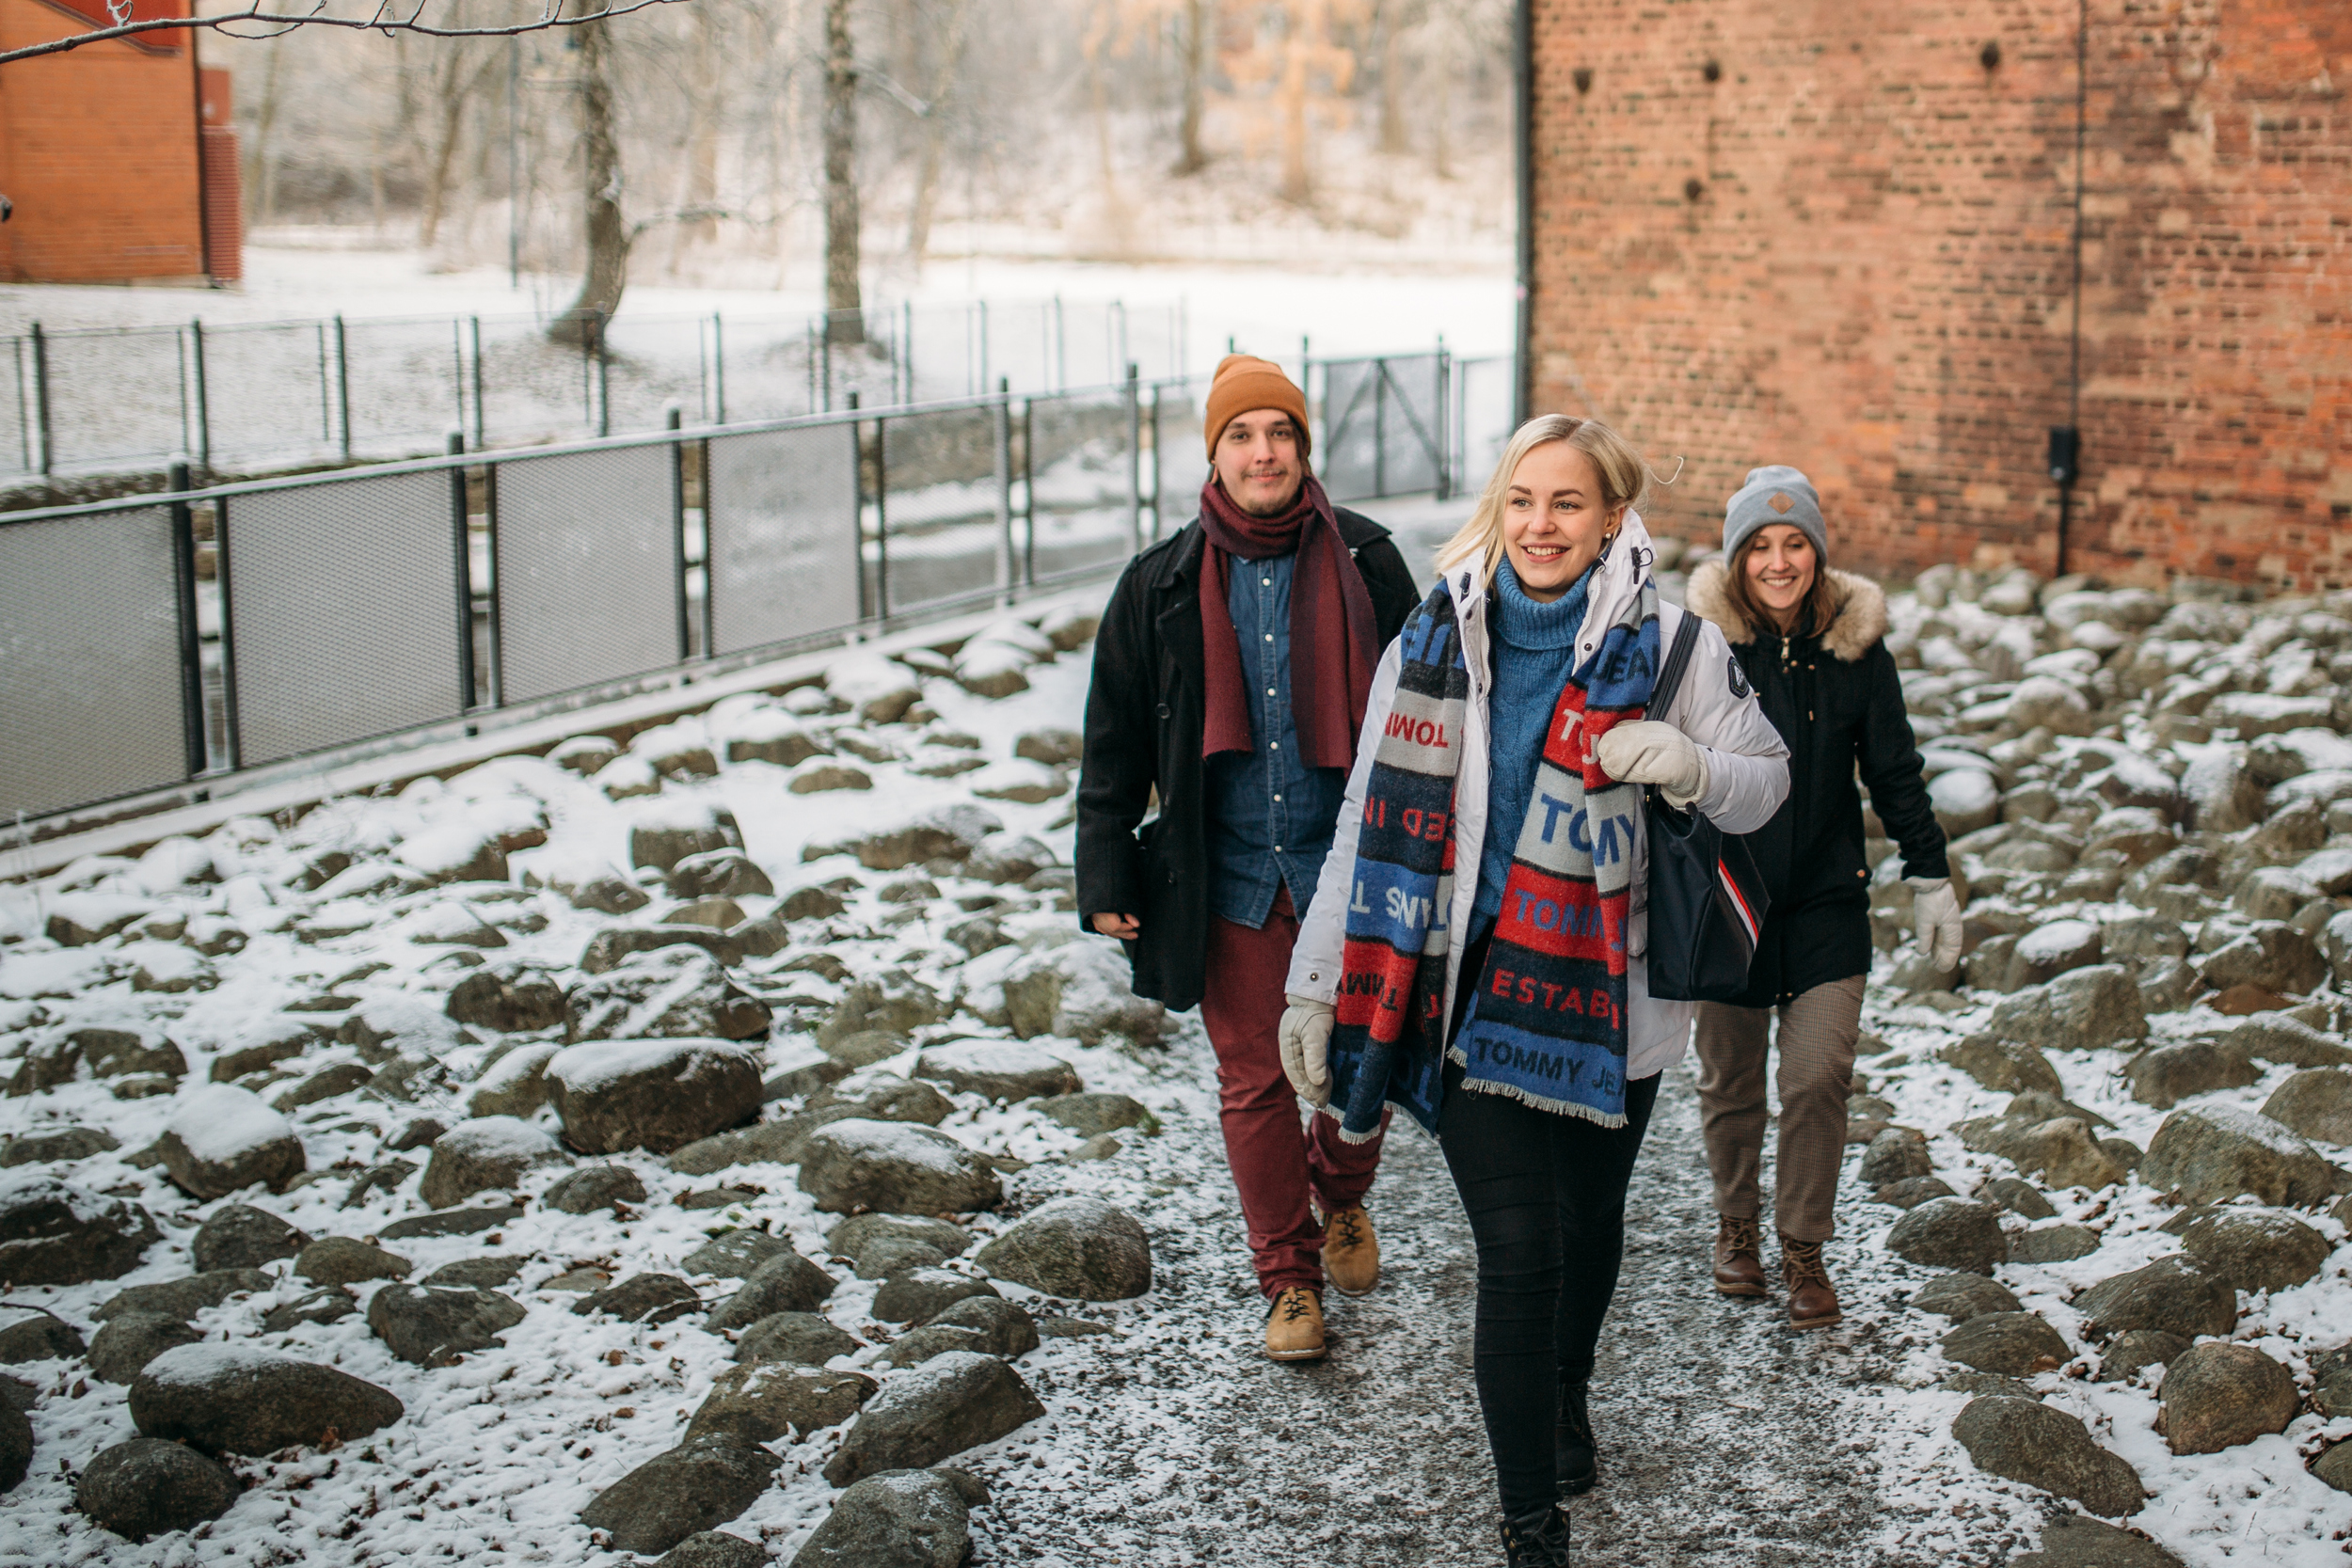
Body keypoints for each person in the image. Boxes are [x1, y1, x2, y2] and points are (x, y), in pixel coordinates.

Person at [1276, 415, 1790, 1566]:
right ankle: (1530, 1527)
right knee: (1519, 1252)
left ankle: (1566, 1386)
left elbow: (1767, 781)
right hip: (1461, 996)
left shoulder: (1674, 646)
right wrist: (1317, 983)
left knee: (1589, 1221)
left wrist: (1690, 764)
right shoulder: (1431, 639)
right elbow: (1364, 818)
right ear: (1497, 507)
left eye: (1566, 503)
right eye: (1521, 499)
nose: (1539, 524)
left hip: (1610, 1001)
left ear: (1611, 518)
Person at [1075, 355, 1421, 1363]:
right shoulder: (1158, 582)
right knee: (1254, 1080)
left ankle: (1341, 1190)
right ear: (1215, 453)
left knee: (1367, 1064)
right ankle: (1289, 1278)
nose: (1262, 452)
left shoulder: (1368, 561)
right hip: (1223, 876)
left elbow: (1433, 709)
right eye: (1241, 435)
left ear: (1303, 449)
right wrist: (1105, 871)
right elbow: (1114, 739)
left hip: (1354, 867)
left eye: (1279, 433)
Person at [1682, 466, 1960, 1329]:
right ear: (1736, 559)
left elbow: (1894, 771)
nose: (1778, 561)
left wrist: (1929, 873)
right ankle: (1737, 1226)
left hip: (1827, 901)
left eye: (1794, 543)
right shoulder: (1701, 650)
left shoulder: (1856, 652)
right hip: (1728, 899)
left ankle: (1803, 1245)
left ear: (1818, 553)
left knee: (1817, 1076)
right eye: (1759, 546)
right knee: (1731, 1080)